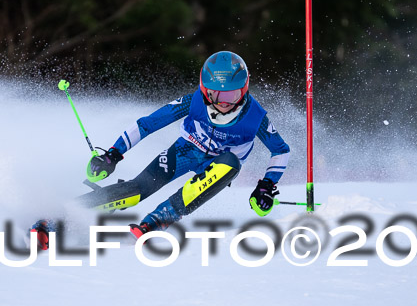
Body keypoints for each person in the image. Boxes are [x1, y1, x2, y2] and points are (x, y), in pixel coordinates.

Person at [34, 51, 291, 247]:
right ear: (204, 89)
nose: (222, 103)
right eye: (215, 94)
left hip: (220, 165)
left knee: (230, 164)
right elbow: (147, 124)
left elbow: (281, 150)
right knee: (136, 190)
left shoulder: (255, 116)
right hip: (185, 150)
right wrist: (113, 153)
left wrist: (266, 185)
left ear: (244, 90)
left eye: (231, 96)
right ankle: (59, 217)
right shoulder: (194, 102)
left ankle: (157, 220)